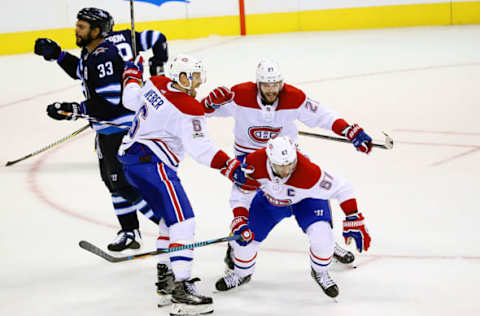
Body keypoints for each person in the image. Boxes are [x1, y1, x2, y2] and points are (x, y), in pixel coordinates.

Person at [118, 54, 259, 315]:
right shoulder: (188, 107)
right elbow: (201, 148)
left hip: (131, 160)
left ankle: (166, 282)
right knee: (184, 221)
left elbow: (130, 99)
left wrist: (131, 74)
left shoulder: (156, 82)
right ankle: (182, 289)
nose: (198, 82)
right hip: (153, 164)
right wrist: (230, 167)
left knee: (168, 221)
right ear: (181, 77)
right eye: (194, 77)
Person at [200, 58, 373, 268]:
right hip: (249, 161)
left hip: (287, 158)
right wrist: (209, 103)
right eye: (266, 85)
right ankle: (237, 242)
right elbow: (202, 113)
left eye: (275, 84)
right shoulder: (240, 95)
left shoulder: (294, 98)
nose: (271, 90)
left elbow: (323, 116)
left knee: (314, 191)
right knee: (244, 202)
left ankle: (327, 242)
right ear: (258, 84)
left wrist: (348, 130)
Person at [34, 7, 168, 252]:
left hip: (121, 129)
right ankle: (129, 231)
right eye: (78, 25)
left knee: (123, 185)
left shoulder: (103, 55)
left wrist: (74, 109)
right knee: (112, 182)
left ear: (97, 31)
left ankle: (168, 226)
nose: (76, 29)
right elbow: (83, 73)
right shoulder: (94, 50)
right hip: (109, 130)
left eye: (82, 27)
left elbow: (110, 103)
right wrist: (58, 55)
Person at [214, 136, 372, 298]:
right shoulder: (253, 163)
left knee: (323, 238)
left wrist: (352, 215)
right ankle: (242, 274)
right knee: (244, 243)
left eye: (291, 164)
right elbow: (241, 191)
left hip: (306, 201)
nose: (287, 170)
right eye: (281, 166)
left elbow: (343, 188)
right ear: (270, 160)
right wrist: (240, 217)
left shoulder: (309, 172)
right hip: (270, 202)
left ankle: (320, 272)